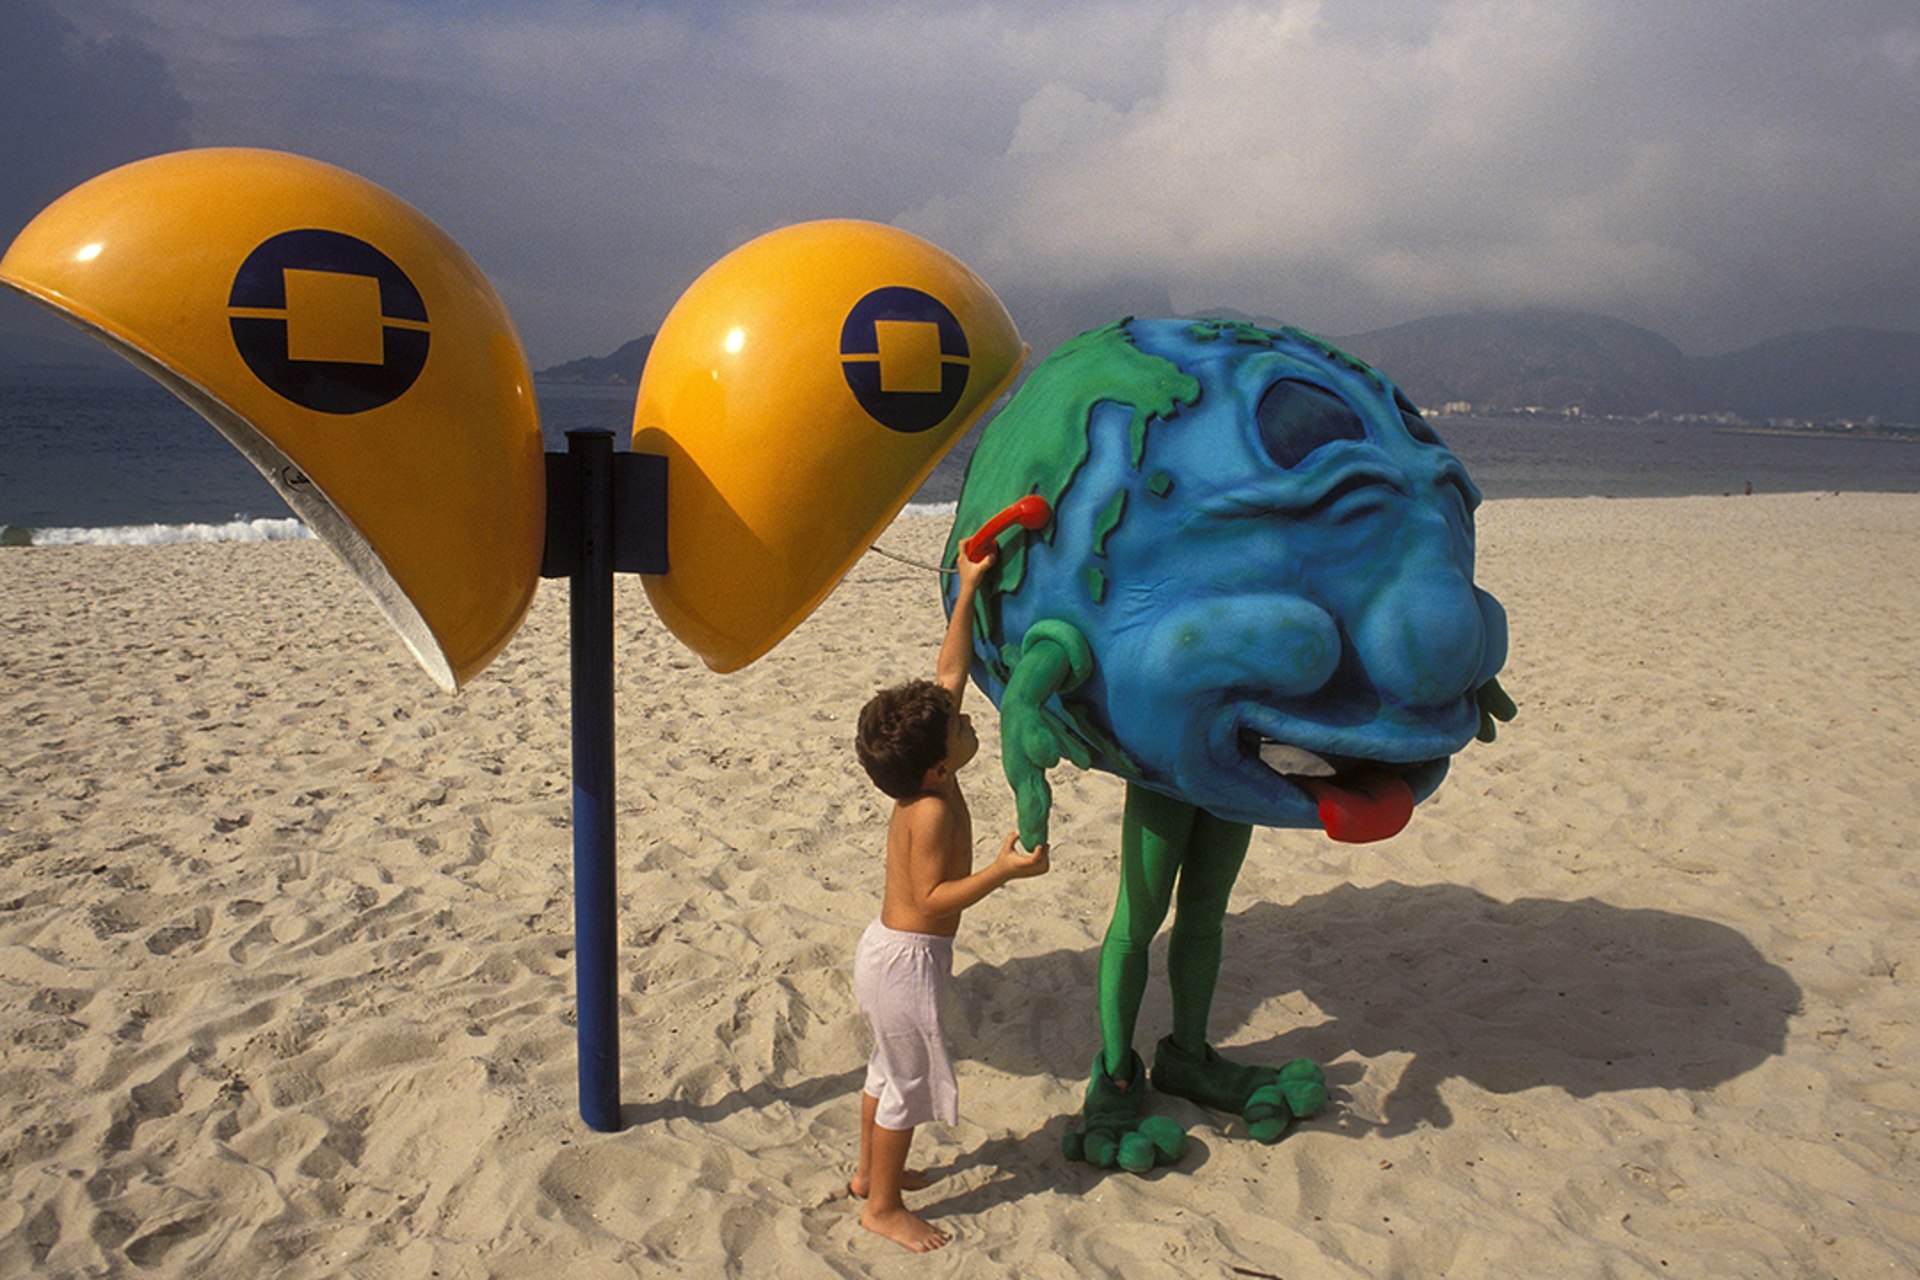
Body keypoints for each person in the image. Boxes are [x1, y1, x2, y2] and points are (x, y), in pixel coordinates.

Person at [849, 544, 1049, 1252]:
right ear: (940, 764)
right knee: (905, 1081)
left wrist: (967, 590)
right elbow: (932, 898)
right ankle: (881, 1208)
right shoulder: (932, 810)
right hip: (908, 959)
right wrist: (1002, 871)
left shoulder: (928, 775)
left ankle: (870, 1174)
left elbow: (949, 672)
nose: (969, 726)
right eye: (963, 729)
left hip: (886, 954)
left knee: (883, 1068)